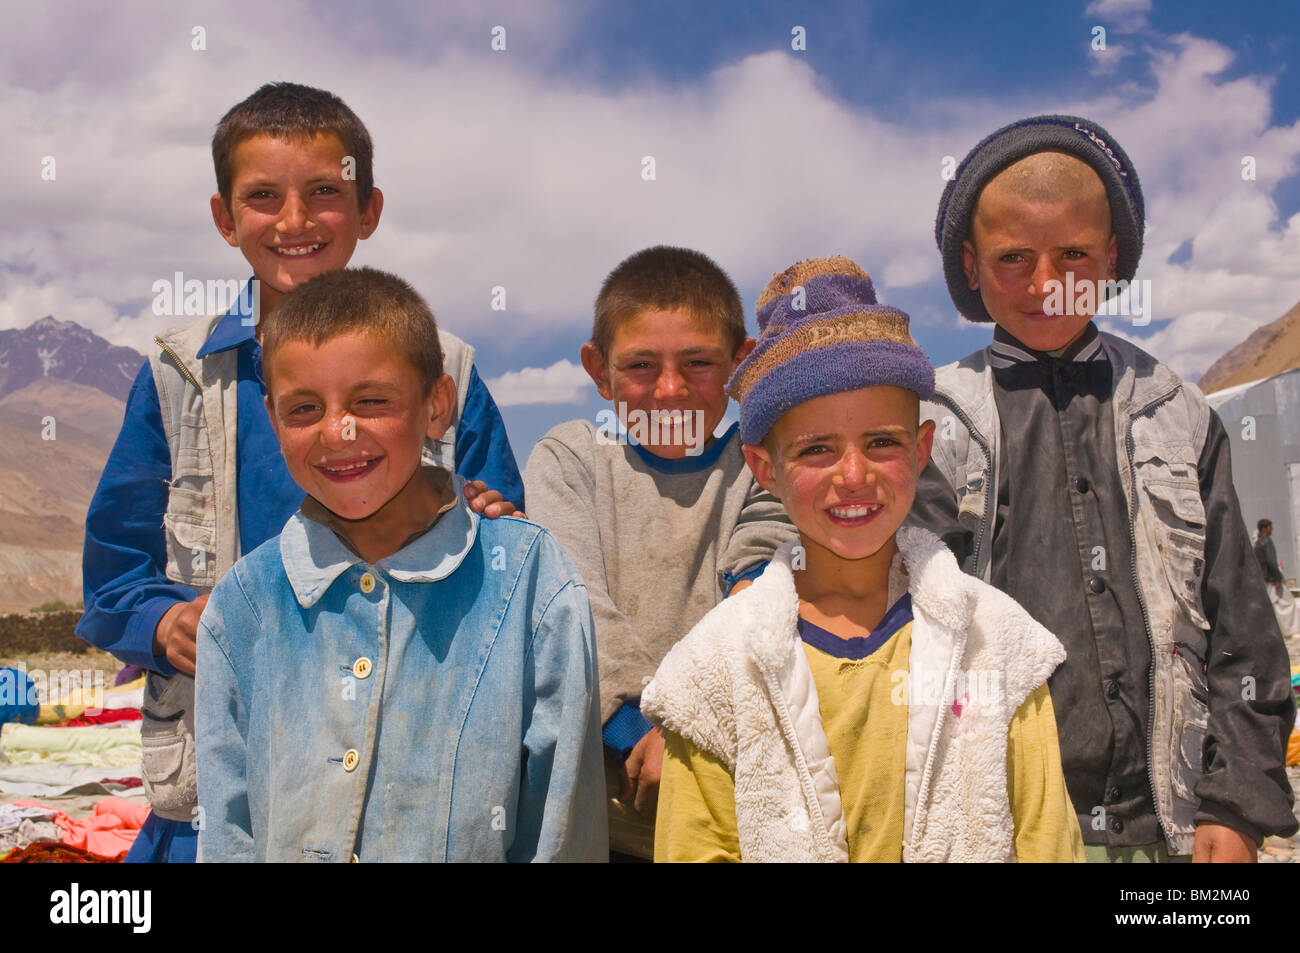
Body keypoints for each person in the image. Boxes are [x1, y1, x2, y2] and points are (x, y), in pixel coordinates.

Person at [77, 82, 524, 862]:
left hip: (404, 777)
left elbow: (505, 555)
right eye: (262, 197)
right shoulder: (179, 376)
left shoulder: (446, 366)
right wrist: (165, 622)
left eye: (324, 191)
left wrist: (494, 525)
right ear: (224, 218)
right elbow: (115, 573)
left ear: (368, 209)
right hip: (221, 778)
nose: (293, 220)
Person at [911, 114, 1297, 861]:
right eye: (1014, 257)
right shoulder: (933, 421)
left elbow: (1242, 621)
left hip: (1169, 826)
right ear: (971, 262)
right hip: (1000, 827)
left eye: (1075, 254)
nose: (1045, 284)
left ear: (1114, 255)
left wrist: (1239, 799)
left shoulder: (1175, 410)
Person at [644, 256, 1083, 862]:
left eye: (882, 442)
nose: (854, 476)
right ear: (764, 468)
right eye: (817, 449)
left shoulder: (998, 643)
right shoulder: (713, 672)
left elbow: (1048, 844)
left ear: (922, 448)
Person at [195, 267, 605, 862]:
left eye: (371, 401)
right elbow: (227, 833)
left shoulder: (529, 581)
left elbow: (561, 826)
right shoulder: (242, 606)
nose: (338, 432)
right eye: (304, 408)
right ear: (273, 417)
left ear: (436, 406)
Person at [523, 245, 796, 858]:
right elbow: (573, 602)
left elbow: (759, 601)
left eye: (698, 362)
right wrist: (634, 730)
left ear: (739, 363)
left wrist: (689, 738)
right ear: (599, 370)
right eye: (641, 365)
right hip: (605, 816)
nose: (670, 390)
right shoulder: (572, 460)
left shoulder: (763, 465)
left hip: (737, 808)